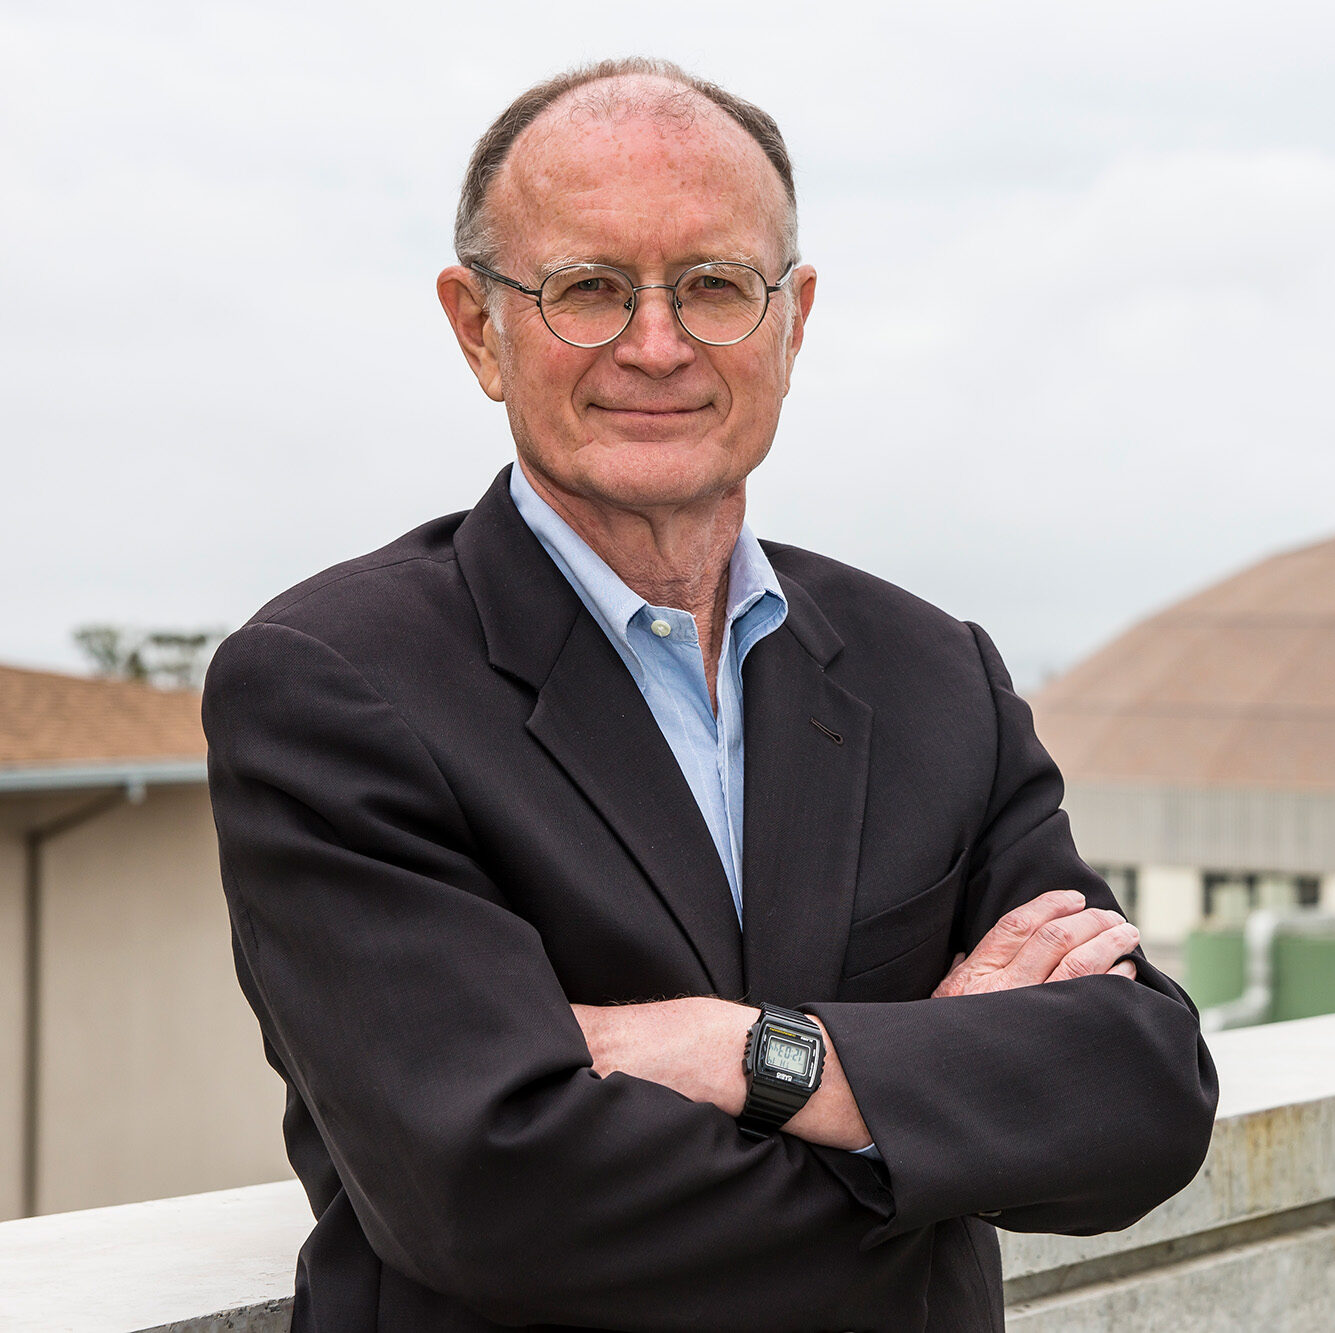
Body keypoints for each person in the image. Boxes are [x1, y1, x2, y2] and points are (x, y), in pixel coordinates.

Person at [203, 58, 1217, 1333]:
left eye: (715, 286)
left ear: (792, 319)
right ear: (478, 328)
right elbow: (494, 1194)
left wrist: (736, 1050)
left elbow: (1143, 1091)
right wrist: (927, 1095)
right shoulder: (331, 685)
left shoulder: (932, 672)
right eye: (586, 289)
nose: (658, 343)